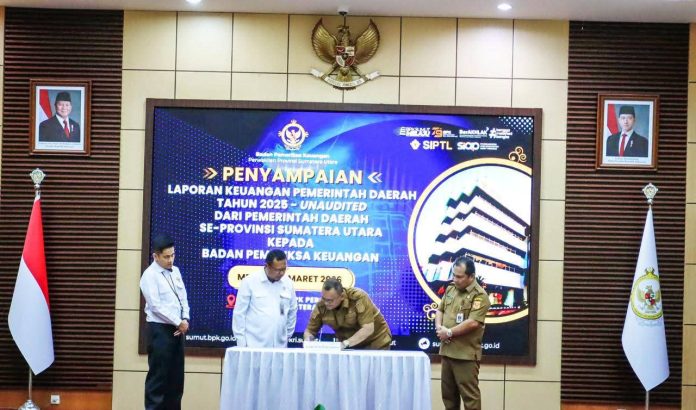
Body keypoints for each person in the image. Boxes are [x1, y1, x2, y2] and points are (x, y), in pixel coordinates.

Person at [139, 234, 190, 410]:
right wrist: (178, 321)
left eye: (173, 255)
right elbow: (155, 306)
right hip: (160, 331)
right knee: (158, 381)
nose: (171, 260)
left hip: (177, 330)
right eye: (166, 257)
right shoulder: (149, 276)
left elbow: (183, 297)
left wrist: (185, 318)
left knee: (176, 381)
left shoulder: (176, 271)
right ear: (156, 256)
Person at [435, 257, 491, 410]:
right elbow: (440, 309)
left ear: (471, 276)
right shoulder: (450, 289)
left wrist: (449, 332)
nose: (455, 279)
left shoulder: (480, 296)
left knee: (470, 399)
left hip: (465, 355)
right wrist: (439, 328)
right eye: (454, 275)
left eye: (459, 276)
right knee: (448, 398)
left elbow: (473, 322)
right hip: (447, 351)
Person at [232, 249, 298, 347]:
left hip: (280, 346)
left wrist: (287, 335)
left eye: (284, 269)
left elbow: (292, 310)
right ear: (267, 266)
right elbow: (239, 314)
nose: (281, 273)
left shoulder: (288, 283)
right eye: (278, 270)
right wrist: (241, 343)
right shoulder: (250, 282)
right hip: (253, 345)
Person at [304, 278, 392, 350]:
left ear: (342, 296)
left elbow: (368, 329)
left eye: (330, 300)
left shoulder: (358, 297)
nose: (326, 303)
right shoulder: (321, 305)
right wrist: (308, 341)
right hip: (349, 346)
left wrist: (344, 344)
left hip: (375, 342)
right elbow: (310, 331)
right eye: (324, 299)